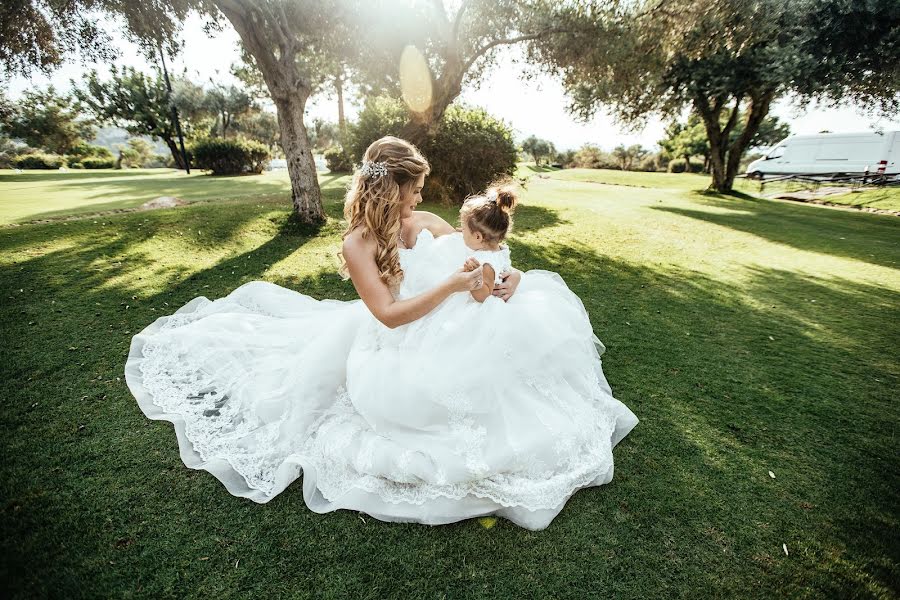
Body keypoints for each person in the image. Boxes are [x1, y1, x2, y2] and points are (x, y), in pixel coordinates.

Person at [125, 136, 637, 530]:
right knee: (426, 398)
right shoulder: (359, 243)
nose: (420, 194)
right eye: (414, 186)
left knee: (512, 354)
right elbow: (388, 316)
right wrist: (452, 286)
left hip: (450, 328)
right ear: (391, 185)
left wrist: (510, 278)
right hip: (392, 344)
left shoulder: (428, 223)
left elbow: (484, 259)